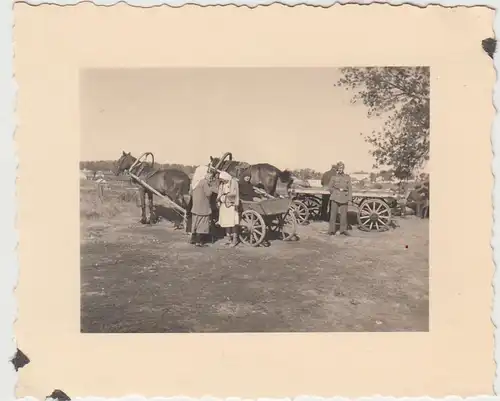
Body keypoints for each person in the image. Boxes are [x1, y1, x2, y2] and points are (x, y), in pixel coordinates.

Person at [189, 168, 216, 247]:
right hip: (203, 207)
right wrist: (211, 187)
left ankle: (193, 239)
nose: (208, 175)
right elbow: (208, 193)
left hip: (196, 206)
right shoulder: (204, 182)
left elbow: (190, 193)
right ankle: (199, 241)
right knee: (202, 223)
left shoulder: (194, 182)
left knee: (195, 223)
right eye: (207, 173)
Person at [327, 161, 352, 236]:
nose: (340, 169)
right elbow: (330, 187)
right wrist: (335, 192)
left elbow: (350, 188)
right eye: (339, 168)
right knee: (333, 215)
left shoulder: (347, 177)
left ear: (343, 168)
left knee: (344, 215)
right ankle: (331, 230)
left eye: (342, 168)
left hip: (344, 197)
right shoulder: (334, 177)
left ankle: (343, 230)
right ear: (337, 169)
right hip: (335, 197)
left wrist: (349, 199)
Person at [217, 171, 240, 247]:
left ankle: (234, 239)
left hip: (231, 205)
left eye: (223, 179)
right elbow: (219, 193)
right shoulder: (222, 184)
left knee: (233, 222)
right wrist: (219, 199)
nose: (223, 181)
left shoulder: (234, 182)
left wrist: (227, 197)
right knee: (226, 222)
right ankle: (228, 238)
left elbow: (235, 194)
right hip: (224, 205)